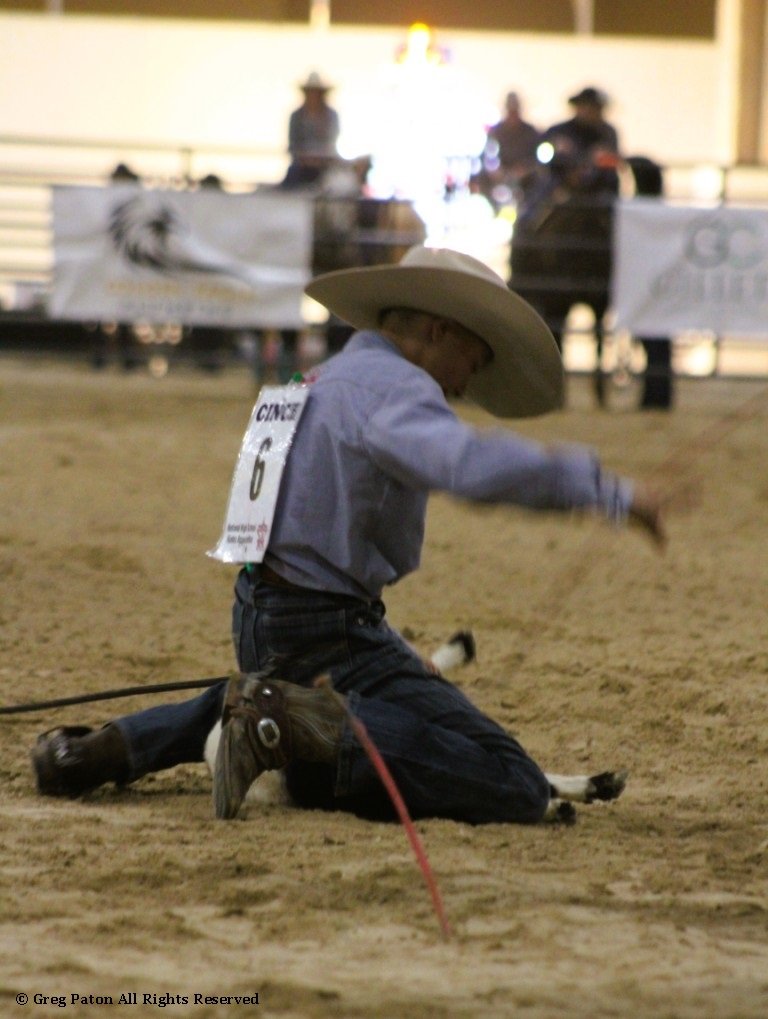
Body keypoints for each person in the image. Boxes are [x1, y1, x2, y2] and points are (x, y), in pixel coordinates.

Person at [31, 246, 665, 825]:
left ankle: (109, 749)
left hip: (262, 615)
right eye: (473, 358)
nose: (468, 381)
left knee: (287, 696)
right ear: (437, 330)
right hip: (328, 633)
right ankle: (289, 727)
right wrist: (606, 490)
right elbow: (468, 467)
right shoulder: (395, 393)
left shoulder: (321, 380)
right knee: (514, 780)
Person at [625, 156, 674, 410]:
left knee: (654, 344)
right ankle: (657, 396)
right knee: (658, 344)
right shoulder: (657, 212)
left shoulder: (638, 214)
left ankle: (655, 397)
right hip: (660, 286)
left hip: (649, 287)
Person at [476, 91, 541, 207]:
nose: (513, 114)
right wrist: (495, 170)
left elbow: (537, 157)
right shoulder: (496, 131)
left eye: (515, 110)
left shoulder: (530, 132)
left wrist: (525, 169)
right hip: (500, 176)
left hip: (526, 177)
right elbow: (488, 155)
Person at [281, 71, 340, 190]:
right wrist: (304, 158)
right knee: (290, 182)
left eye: (316, 93)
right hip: (300, 166)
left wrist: (320, 159)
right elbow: (292, 144)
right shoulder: (296, 116)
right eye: (311, 92)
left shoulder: (331, 116)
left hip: (325, 166)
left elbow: (332, 142)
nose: (313, 97)